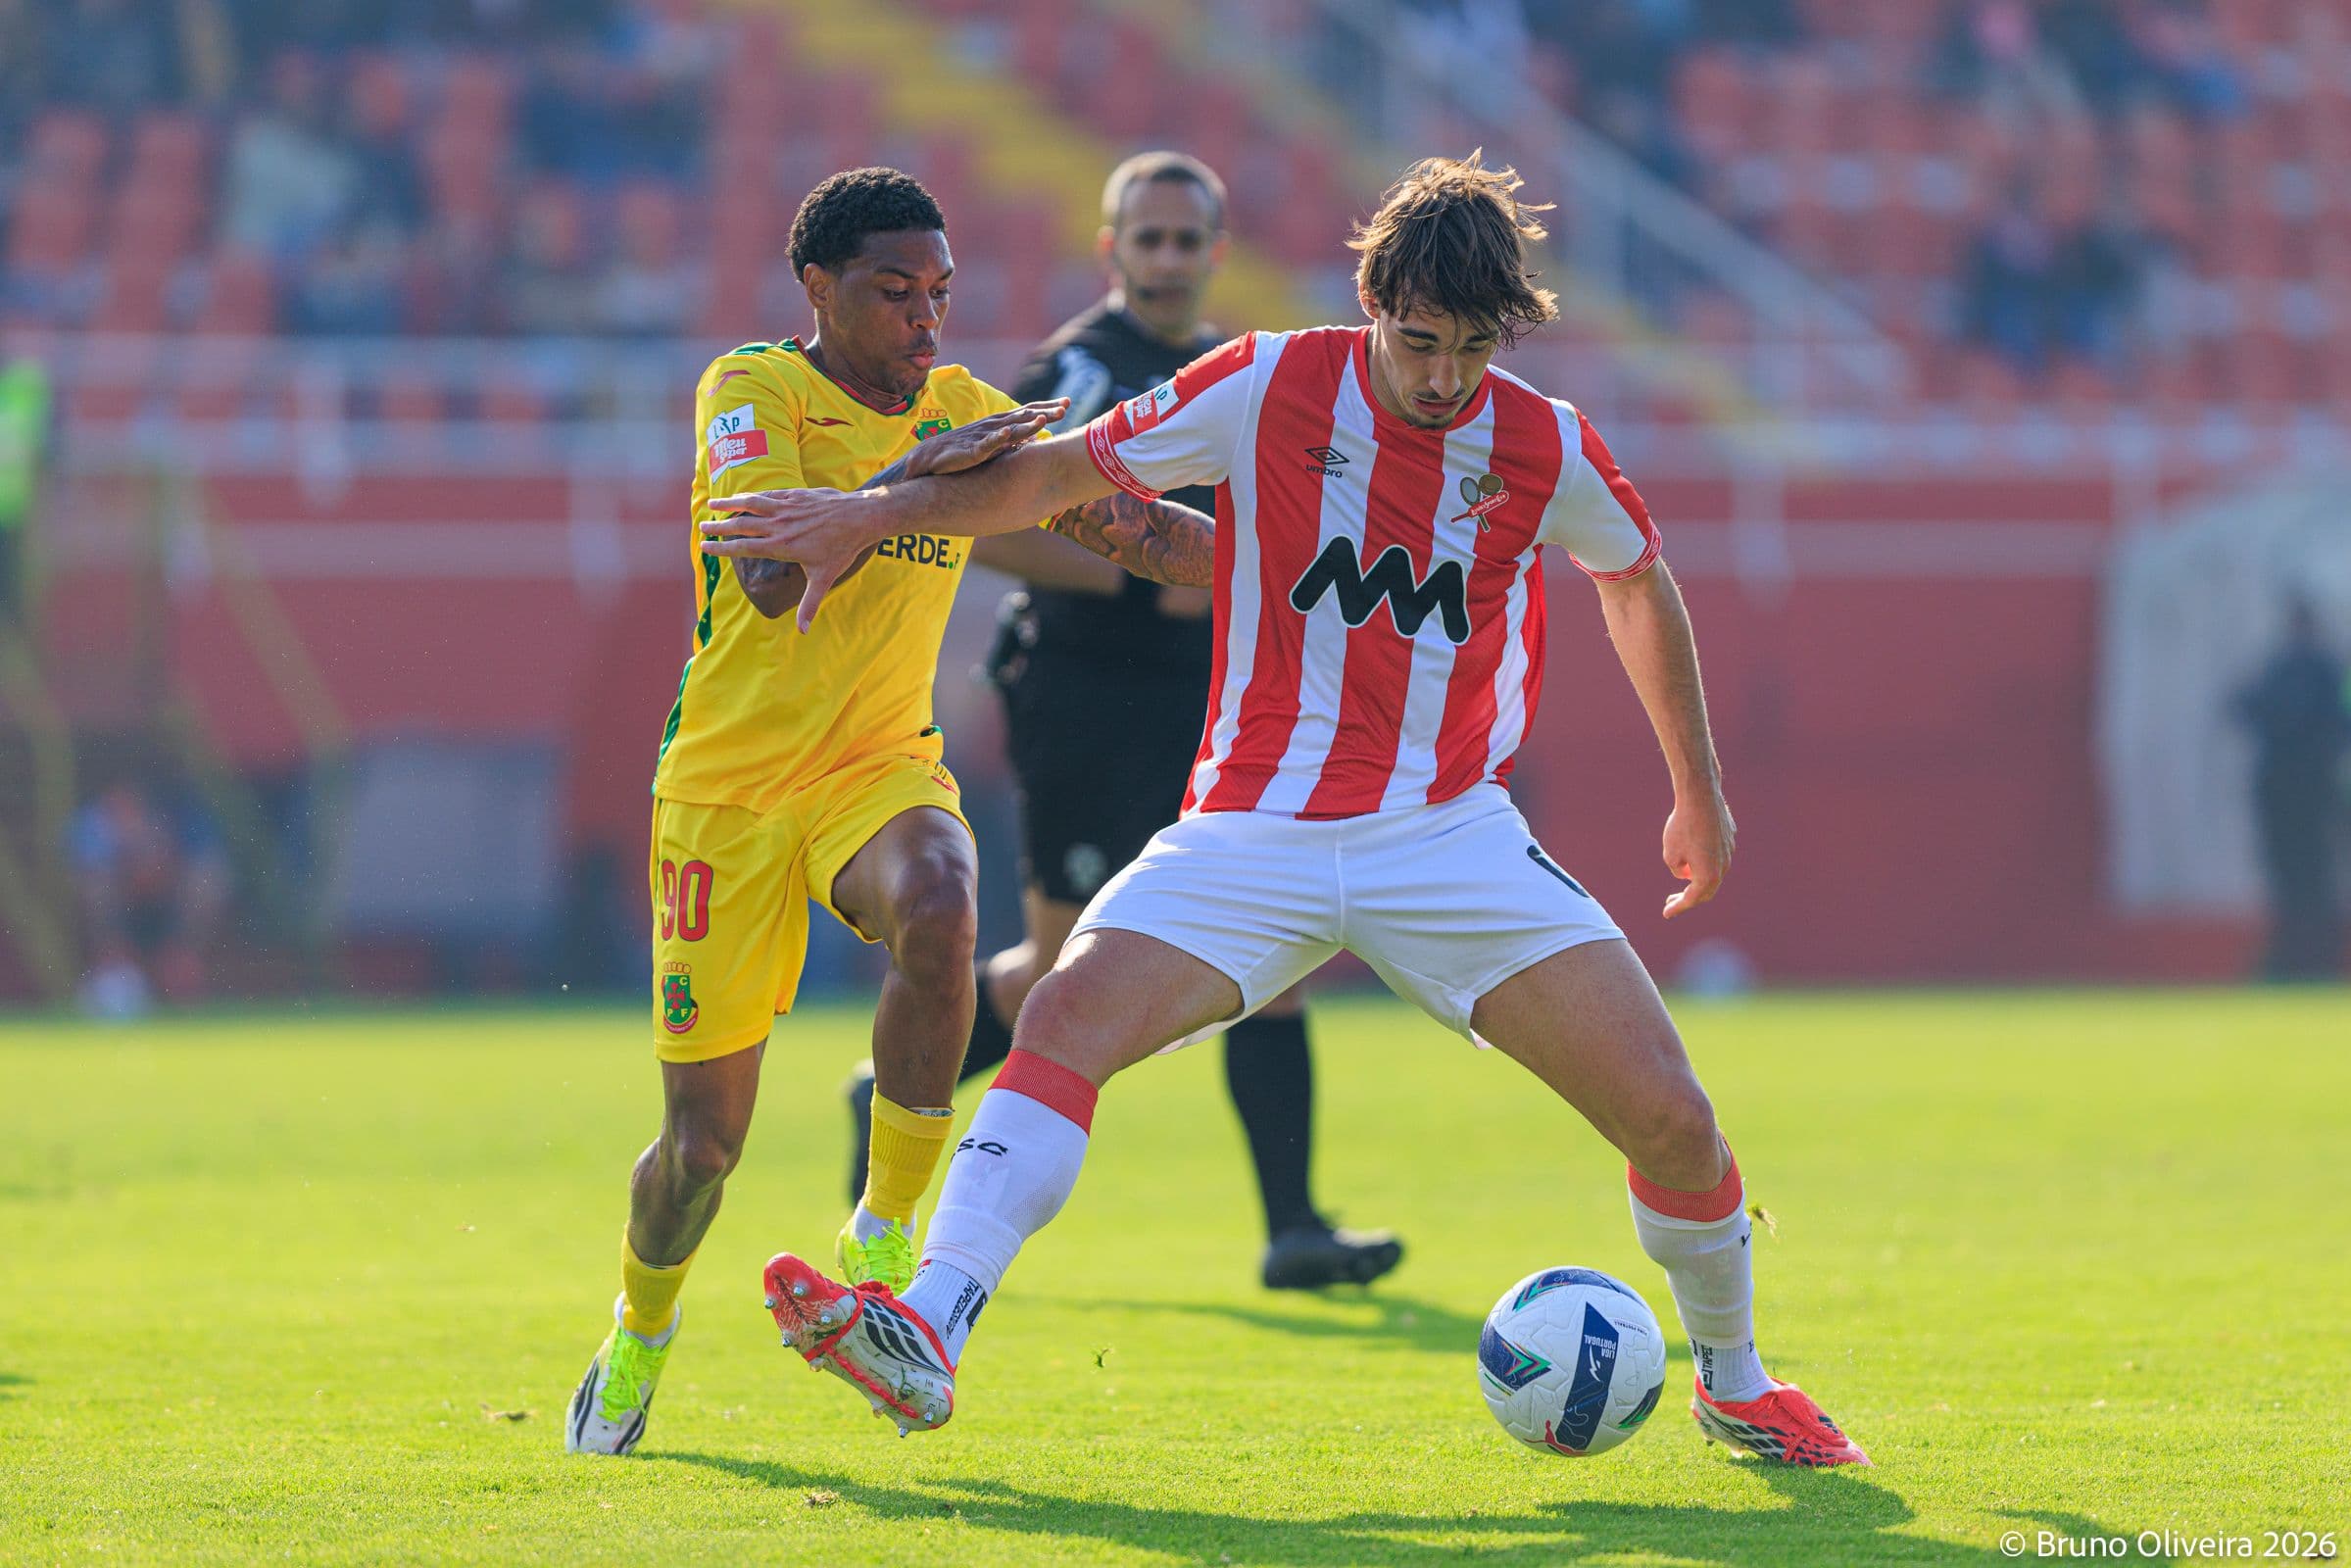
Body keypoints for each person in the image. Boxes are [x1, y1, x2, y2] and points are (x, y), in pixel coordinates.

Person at [712, 154, 1868, 1466]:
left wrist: (1696, 792)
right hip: (1249, 829)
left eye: (1471, 348)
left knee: (1672, 1118)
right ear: (1370, 304)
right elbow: (1055, 478)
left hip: (1445, 834)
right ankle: (927, 1327)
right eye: (1417, 342)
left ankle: (1732, 1382)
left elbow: (1631, 579)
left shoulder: (1540, 441)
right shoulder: (1268, 382)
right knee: (1065, 1016)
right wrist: (862, 515)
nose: (1441, 378)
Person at [564, 167, 1219, 1457]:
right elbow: (760, 575)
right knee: (700, 1154)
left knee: (943, 902)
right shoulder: (752, 390)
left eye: (940, 294)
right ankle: (640, 1331)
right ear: (818, 289)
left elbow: (1122, 526)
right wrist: (917, 479)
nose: (926, 321)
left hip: (874, 764)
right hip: (724, 798)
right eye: (892, 293)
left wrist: (1291, 560)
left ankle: (883, 1234)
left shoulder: (975, 411)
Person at [842, 151, 1401, 1290]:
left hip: (1217, 709)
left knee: (1281, 948)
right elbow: (976, 521)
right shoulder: (1077, 369)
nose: (1164, 259)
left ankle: (1292, 1227)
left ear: (1214, 253)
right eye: (1144, 240)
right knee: (1060, 965)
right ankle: (891, 1087)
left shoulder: (1233, 373)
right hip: (1083, 698)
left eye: (1183, 240)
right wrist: (1147, 578)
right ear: (1110, 252)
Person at [2232, 601, 2350, 981]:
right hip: (2290, 791)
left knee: (2310, 877)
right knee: (2292, 878)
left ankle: (2314, 959)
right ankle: (2298, 956)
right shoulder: (2281, 668)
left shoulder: (2321, 670)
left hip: (2308, 789)